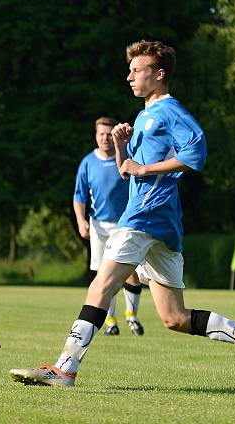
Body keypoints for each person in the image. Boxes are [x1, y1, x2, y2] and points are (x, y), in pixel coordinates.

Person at [10, 40, 235, 390]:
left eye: (136, 70)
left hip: (145, 215)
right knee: (174, 318)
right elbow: (128, 171)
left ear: (158, 75)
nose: (129, 76)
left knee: (101, 286)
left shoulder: (170, 110)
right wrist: (123, 146)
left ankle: (64, 369)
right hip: (162, 222)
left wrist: (146, 169)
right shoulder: (144, 115)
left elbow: (196, 153)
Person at [74, 116, 145, 336]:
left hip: (125, 224)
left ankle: (132, 316)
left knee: (131, 271)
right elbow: (79, 197)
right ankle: (110, 321)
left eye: (108, 134)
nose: (104, 138)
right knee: (103, 274)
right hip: (98, 226)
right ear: (95, 136)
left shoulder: (125, 159)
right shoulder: (87, 162)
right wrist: (81, 220)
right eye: (101, 134)